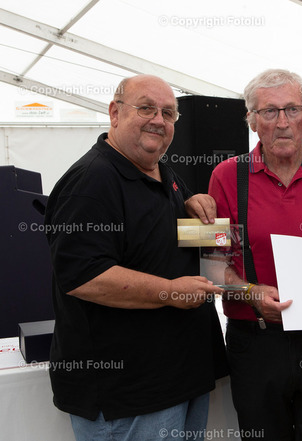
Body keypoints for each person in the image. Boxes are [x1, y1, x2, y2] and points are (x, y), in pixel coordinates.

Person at [45, 74, 227, 441]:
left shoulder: (163, 173)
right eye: (146, 108)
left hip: (180, 378)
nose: (159, 120)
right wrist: (170, 291)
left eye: (168, 113)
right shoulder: (91, 181)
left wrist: (196, 207)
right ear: (115, 113)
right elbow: (83, 277)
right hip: (128, 395)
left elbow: (166, 242)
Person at [208, 69, 302, 441]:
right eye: (269, 112)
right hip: (255, 343)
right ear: (251, 120)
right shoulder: (224, 177)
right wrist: (250, 293)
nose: (282, 122)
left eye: (292, 109)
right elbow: (210, 265)